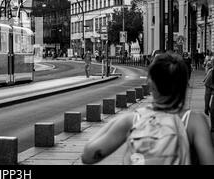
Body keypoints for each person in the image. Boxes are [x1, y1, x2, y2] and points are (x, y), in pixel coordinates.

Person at [81, 53, 214, 165]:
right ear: (183, 84)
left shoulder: (132, 120)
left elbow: (88, 155)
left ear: (150, 84)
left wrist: (116, 122)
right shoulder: (194, 122)